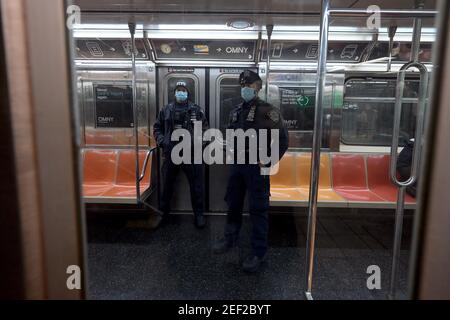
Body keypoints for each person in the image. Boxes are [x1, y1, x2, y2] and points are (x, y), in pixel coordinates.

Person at [212, 70, 289, 273]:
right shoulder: (236, 110)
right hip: (238, 165)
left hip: (257, 167)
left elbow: (283, 139)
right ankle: (230, 238)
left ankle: (259, 252)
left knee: (258, 209)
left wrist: (269, 160)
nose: (245, 89)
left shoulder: (268, 111)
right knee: (233, 204)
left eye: (249, 86)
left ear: (258, 87)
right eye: (243, 86)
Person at [153, 81, 209, 228]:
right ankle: (163, 214)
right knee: (167, 186)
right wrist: (162, 141)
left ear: (188, 93)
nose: (181, 93)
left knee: (196, 187)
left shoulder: (196, 110)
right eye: (178, 90)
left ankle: (199, 215)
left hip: (191, 154)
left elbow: (205, 129)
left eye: (183, 90)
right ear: (174, 92)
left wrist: (198, 144)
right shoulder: (166, 110)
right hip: (171, 152)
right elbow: (157, 128)